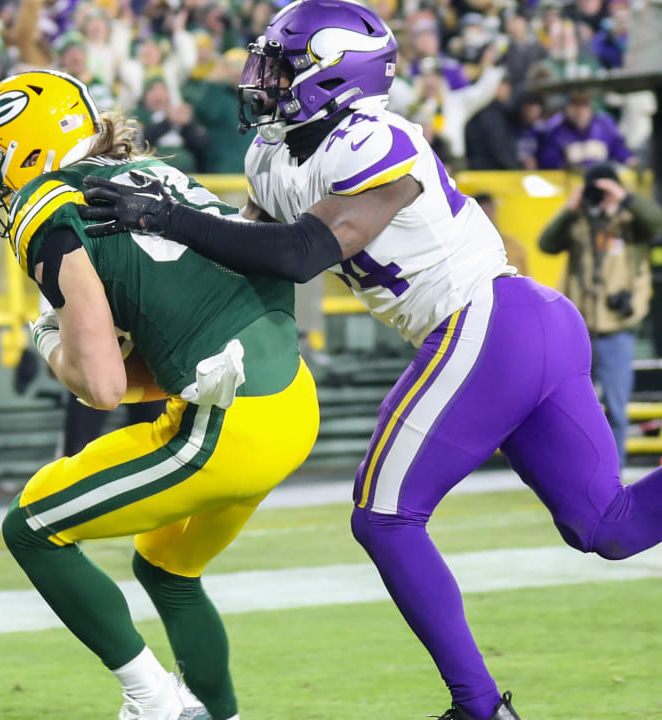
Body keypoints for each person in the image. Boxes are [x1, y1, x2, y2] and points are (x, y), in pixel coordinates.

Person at [77, 2, 662, 718]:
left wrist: (167, 218)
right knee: (606, 527)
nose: (263, 78)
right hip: (523, 329)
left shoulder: (377, 139)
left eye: (282, 66)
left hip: (489, 323)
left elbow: (298, 256)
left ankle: (481, 709)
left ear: (334, 76)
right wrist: (150, 229)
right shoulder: (273, 155)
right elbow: (248, 257)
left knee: (383, 516)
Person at [0, 70, 319, 720]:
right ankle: (218, 715)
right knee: (167, 569)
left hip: (225, 427)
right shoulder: (153, 172)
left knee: (32, 526)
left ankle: (153, 698)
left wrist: (48, 344)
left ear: (27, 147)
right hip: (291, 400)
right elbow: (161, 362)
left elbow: (101, 387)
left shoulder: (48, 206)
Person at [538, 164, 662, 464]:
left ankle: (613, 477)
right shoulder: (578, 221)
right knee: (571, 408)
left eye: (604, 189)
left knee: (617, 409)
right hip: (578, 331)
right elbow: (546, 244)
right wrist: (570, 209)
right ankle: (574, 471)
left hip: (617, 329)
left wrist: (624, 199)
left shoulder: (631, 223)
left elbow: (656, 222)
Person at [532, 90, 635, 170]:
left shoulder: (604, 124)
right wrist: (564, 158)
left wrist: (630, 160)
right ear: (567, 107)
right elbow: (545, 161)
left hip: (600, 178)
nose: (580, 111)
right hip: (567, 183)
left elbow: (618, 147)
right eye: (575, 105)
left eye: (584, 105)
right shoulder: (555, 128)